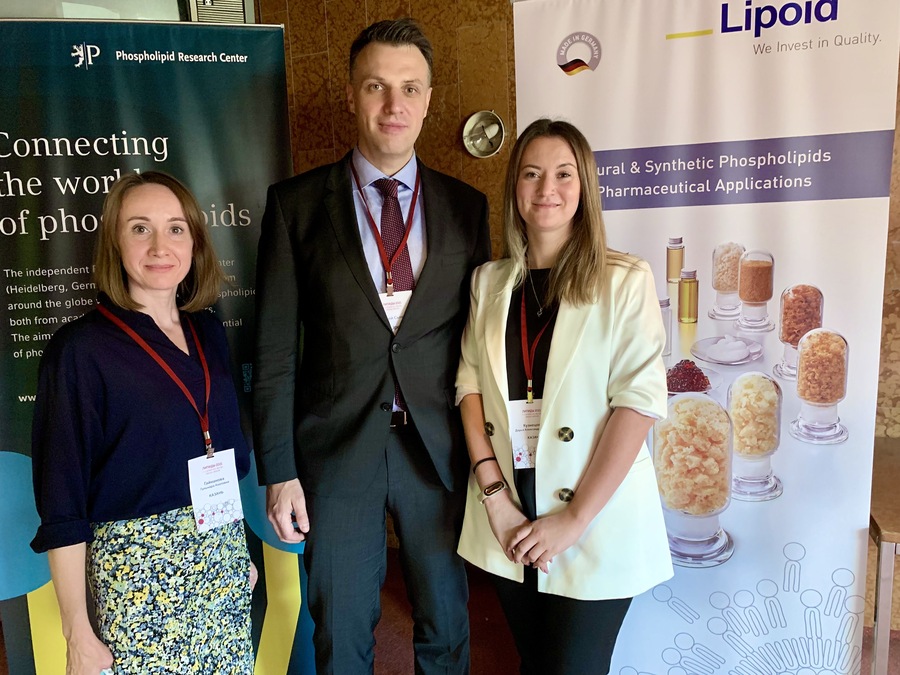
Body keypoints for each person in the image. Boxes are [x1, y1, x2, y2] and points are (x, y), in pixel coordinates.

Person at [252, 17, 491, 674]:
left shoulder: (466, 208)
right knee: (340, 629)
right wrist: (279, 470)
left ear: (429, 99)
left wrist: (490, 460)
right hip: (335, 452)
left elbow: (479, 347)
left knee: (447, 623)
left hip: (437, 451)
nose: (394, 104)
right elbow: (274, 353)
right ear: (352, 94)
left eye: (409, 88)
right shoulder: (296, 206)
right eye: (376, 86)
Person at [455, 118, 674, 675]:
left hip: (594, 516)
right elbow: (468, 387)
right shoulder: (487, 282)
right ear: (515, 187)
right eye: (531, 174)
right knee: (535, 662)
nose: (546, 188)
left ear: (585, 187)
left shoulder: (625, 280)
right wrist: (495, 497)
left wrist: (575, 518)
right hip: (509, 511)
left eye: (563, 174)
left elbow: (638, 403)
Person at [30, 171, 254, 674]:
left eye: (175, 228)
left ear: (195, 241)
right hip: (140, 581)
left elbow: (219, 453)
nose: (160, 246)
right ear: (114, 241)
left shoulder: (208, 330)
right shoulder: (80, 350)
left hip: (223, 565)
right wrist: (77, 632)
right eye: (139, 228)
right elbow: (62, 503)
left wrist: (236, 553)